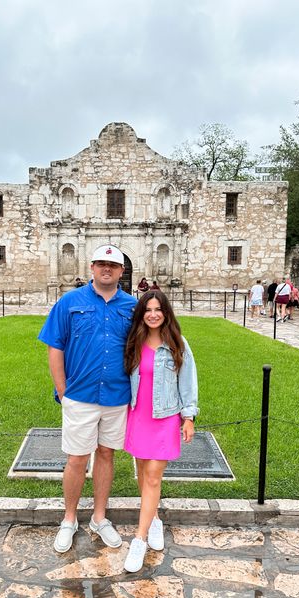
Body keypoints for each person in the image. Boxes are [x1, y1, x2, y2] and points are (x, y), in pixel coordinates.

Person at [38, 244, 137, 553]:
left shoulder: (133, 306)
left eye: (113, 264)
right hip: (79, 395)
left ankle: (99, 517)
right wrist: (62, 389)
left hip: (116, 394)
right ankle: (69, 519)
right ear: (91, 267)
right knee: (77, 458)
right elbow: (55, 346)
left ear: (122, 271)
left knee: (107, 455)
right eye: (100, 263)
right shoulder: (70, 302)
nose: (106, 268)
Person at [123, 290, 198, 572]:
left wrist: (188, 417)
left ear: (166, 313)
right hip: (139, 415)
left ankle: (139, 540)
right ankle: (153, 519)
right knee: (142, 473)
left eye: (158, 309)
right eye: (148, 309)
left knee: (153, 477)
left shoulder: (177, 344)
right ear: (141, 313)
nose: (153, 314)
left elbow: (188, 381)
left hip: (165, 416)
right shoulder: (135, 342)